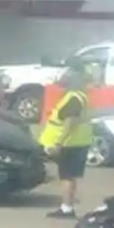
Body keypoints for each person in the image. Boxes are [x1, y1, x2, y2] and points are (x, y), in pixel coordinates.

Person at [39, 63, 96, 219]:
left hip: (69, 143)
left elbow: (70, 122)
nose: (63, 79)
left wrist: (58, 143)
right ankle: (67, 207)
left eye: (66, 77)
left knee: (67, 177)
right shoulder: (80, 96)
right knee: (69, 176)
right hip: (77, 142)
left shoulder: (73, 98)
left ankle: (66, 209)